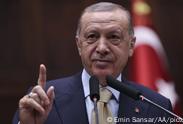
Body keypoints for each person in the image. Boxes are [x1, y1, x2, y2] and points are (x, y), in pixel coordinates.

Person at [13, 2, 173, 124]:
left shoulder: (156, 106)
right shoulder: (43, 99)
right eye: (92, 36)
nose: (102, 48)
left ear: (131, 46)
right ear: (79, 45)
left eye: (113, 37)